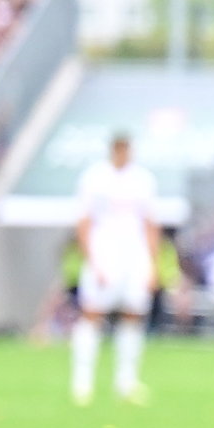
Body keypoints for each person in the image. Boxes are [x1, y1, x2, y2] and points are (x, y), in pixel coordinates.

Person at [69, 131, 168, 408]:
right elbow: (84, 221)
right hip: (105, 253)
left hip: (134, 256)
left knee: (133, 315)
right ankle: (82, 383)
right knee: (92, 315)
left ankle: (126, 381)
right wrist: (92, 258)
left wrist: (153, 263)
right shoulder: (94, 178)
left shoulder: (143, 180)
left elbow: (149, 223)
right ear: (113, 150)